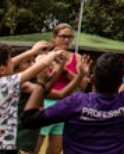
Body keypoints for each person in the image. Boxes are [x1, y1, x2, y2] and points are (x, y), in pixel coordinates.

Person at [22, 40, 124, 154]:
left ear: (93, 79)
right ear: (120, 81)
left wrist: (41, 81)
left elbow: (29, 120)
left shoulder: (75, 103)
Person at [0, 42, 67, 154]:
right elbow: (40, 65)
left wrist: (32, 52)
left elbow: (12, 62)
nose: (13, 62)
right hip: (1, 148)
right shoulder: (5, 83)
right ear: (1, 70)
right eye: (10, 61)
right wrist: (53, 54)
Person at [35, 24, 84, 154]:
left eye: (70, 37)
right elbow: (39, 82)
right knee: (34, 147)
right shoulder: (44, 57)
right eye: (63, 36)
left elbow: (83, 84)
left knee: (56, 149)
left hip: (65, 106)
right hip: (45, 104)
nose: (67, 40)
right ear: (54, 38)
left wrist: (64, 70)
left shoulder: (76, 57)